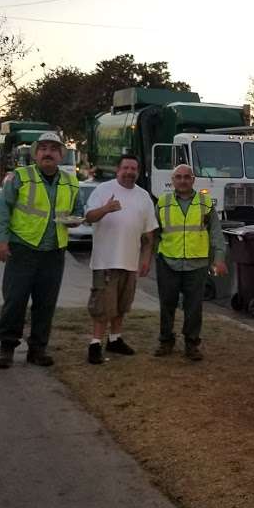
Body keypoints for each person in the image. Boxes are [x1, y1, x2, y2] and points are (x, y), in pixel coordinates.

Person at [0, 131, 82, 369]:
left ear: (61, 155)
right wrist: (1, 240)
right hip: (23, 249)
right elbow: (3, 210)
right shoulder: (20, 177)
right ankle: (7, 348)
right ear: (35, 154)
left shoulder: (71, 181)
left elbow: (78, 209)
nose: (48, 152)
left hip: (54, 252)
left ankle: (38, 349)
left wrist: (76, 219)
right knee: (15, 300)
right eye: (43, 148)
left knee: (46, 303)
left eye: (53, 148)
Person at [83, 154, 158, 365]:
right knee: (102, 306)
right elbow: (88, 217)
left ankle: (115, 340)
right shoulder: (103, 190)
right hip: (105, 261)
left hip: (130, 261)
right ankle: (95, 344)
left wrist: (145, 259)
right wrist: (106, 209)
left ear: (138, 171)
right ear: (118, 170)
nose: (129, 172)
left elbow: (148, 234)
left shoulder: (143, 196)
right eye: (126, 168)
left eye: (133, 168)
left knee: (122, 304)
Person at [154, 163, 227, 360]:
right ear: (173, 180)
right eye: (179, 177)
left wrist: (219, 259)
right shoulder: (162, 202)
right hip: (168, 262)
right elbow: (153, 233)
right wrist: (150, 256)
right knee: (166, 304)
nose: (183, 180)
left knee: (194, 307)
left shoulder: (205, 203)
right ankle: (165, 340)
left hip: (197, 264)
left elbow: (216, 235)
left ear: (193, 180)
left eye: (187, 177)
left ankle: (191, 344)